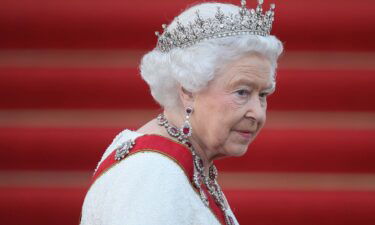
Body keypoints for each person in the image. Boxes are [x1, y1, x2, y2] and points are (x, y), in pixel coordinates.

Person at [80, 0, 283, 224]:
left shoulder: (183, 163)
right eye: (242, 92)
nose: (257, 113)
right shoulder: (152, 175)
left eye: (263, 95)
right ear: (188, 89)